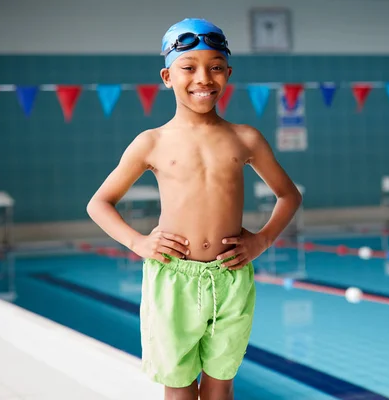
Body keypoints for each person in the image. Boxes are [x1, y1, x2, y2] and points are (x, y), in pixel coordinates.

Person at [86, 18, 302, 400]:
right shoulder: (151, 142)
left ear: (228, 74)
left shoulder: (245, 138)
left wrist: (262, 241)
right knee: (179, 385)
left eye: (215, 67)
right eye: (189, 67)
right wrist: (138, 243)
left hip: (231, 277)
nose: (204, 78)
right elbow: (99, 203)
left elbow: (288, 194)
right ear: (167, 76)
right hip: (173, 278)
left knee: (221, 384)